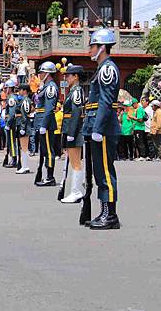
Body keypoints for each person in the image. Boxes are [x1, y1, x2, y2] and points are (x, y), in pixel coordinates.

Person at [82, 28, 121, 229]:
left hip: (104, 128)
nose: (90, 49)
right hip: (97, 126)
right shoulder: (102, 68)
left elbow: (106, 101)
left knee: (105, 172)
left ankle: (110, 214)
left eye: (93, 46)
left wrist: (98, 128)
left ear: (102, 48)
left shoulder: (107, 68)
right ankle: (104, 211)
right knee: (99, 171)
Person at [60, 65, 86, 203]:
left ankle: (76, 192)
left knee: (76, 162)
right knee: (75, 162)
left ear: (75, 76)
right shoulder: (73, 91)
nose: (66, 78)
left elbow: (76, 113)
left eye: (69, 75)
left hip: (74, 129)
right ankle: (77, 189)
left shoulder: (76, 91)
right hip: (70, 128)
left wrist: (71, 132)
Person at [34, 61, 59, 187]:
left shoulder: (50, 87)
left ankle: (50, 177)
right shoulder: (45, 86)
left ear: (47, 73)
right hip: (42, 122)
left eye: (42, 72)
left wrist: (43, 125)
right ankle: (46, 175)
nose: (40, 75)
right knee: (44, 150)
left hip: (47, 124)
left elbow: (49, 108)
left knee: (49, 151)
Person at [15, 84, 33, 174]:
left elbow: (24, 115)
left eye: (20, 90)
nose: (19, 91)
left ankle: (25, 166)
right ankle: (24, 166)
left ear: (25, 91)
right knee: (23, 147)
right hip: (23, 124)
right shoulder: (23, 100)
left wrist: (22, 127)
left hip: (24, 125)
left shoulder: (25, 100)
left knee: (24, 147)